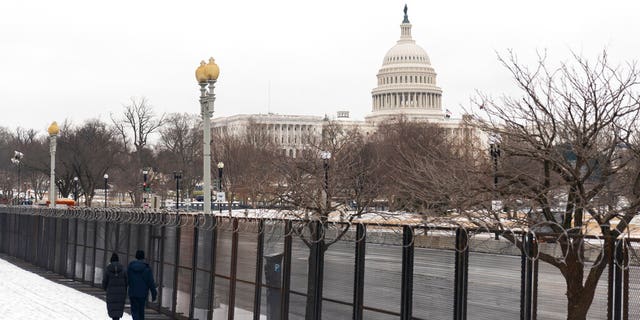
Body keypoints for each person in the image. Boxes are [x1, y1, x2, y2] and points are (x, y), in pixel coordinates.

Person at [128, 250, 157, 320]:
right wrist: (154, 294)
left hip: (133, 293)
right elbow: (151, 283)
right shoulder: (147, 269)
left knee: (135, 312)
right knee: (141, 312)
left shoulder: (130, 267)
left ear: (136, 256)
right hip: (142, 294)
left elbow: (127, 279)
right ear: (143, 257)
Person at [102, 253, 127, 320]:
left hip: (111, 293)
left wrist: (105, 288)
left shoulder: (108, 269)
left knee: (113, 308)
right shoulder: (123, 269)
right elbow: (126, 281)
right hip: (121, 294)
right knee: (118, 308)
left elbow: (104, 282)